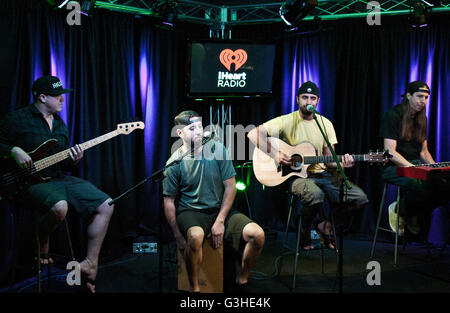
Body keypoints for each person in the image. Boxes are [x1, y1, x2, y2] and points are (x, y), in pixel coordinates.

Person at [0, 76, 114, 293]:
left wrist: (74, 160)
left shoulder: (61, 124)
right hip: (26, 183)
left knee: (107, 204)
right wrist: (12, 150)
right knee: (60, 206)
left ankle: (90, 264)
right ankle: (41, 243)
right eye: (57, 95)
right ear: (42, 97)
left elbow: (66, 166)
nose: (63, 99)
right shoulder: (18, 119)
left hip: (58, 179)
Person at [247, 81, 368, 250]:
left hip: (324, 175)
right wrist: (276, 154)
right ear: (297, 99)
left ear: (318, 101)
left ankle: (326, 225)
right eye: (304, 97)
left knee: (359, 198)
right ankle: (304, 230)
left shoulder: (325, 124)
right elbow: (253, 134)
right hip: (295, 176)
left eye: (312, 98)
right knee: (315, 194)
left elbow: (330, 160)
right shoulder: (287, 120)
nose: (308, 102)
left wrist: (343, 163)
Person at [162, 110, 265, 293]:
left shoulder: (217, 149)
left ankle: (242, 279)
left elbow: (231, 186)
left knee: (257, 235)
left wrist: (220, 220)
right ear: (180, 133)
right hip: (191, 210)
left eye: (200, 126)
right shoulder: (174, 162)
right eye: (192, 128)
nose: (199, 132)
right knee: (194, 236)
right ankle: (194, 288)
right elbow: (169, 201)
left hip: (219, 210)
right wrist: (178, 236)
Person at [380, 81, 450, 236]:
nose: (423, 101)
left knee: (444, 186)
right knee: (418, 183)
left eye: (425, 97)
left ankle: (406, 210)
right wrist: (413, 168)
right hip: (393, 167)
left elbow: (424, 152)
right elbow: (390, 151)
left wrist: (436, 170)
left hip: (414, 165)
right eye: (419, 96)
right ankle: (401, 210)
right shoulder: (393, 115)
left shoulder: (421, 118)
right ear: (408, 95)